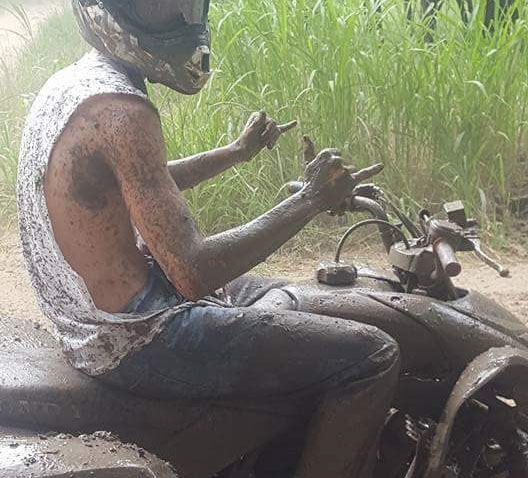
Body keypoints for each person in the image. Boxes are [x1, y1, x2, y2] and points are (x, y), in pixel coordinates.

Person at [17, 1, 400, 476]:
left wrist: (236, 152)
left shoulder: (77, 85)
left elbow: (143, 182)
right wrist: (311, 200)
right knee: (373, 356)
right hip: (135, 338)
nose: (183, 20)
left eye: (188, 5)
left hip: (93, 322)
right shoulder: (121, 112)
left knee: (290, 296)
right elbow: (194, 271)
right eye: (160, 6)